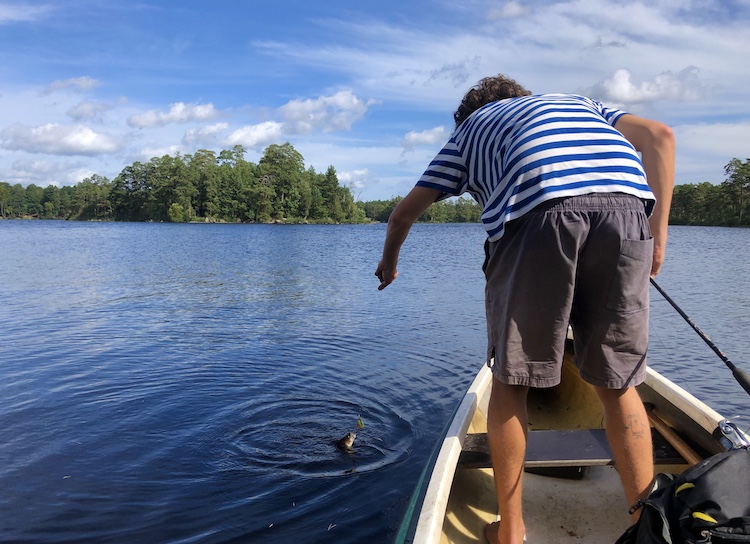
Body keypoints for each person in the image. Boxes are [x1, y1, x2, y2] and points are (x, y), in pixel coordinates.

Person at [375, 74, 675, 544]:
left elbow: (403, 214)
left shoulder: (470, 128)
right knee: (619, 382)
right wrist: (657, 235)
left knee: (512, 381)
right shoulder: (581, 104)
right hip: (628, 211)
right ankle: (647, 527)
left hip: (536, 214)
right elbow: (660, 137)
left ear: (468, 112)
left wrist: (388, 265)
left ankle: (511, 530)